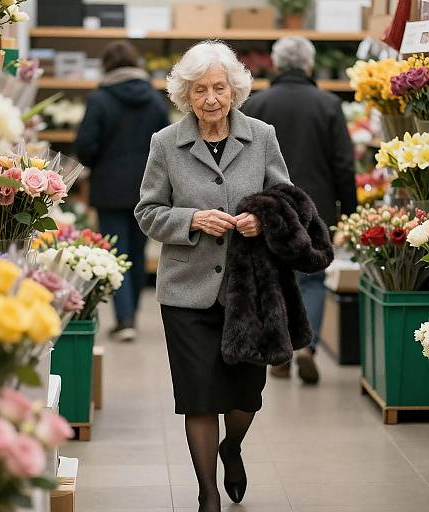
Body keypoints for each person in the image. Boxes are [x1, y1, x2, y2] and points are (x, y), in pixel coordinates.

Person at [135, 41, 291, 512]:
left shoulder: (261, 135)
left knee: (247, 395)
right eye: (199, 89)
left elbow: (286, 199)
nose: (210, 99)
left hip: (249, 291)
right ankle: (207, 494)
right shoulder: (165, 143)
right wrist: (191, 220)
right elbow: (147, 212)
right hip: (187, 291)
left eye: (218, 88)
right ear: (185, 94)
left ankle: (233, 447)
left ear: (234, 89)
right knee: (199, 398)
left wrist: (264, 220)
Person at [242, 36, 357, 384]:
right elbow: (343, 165)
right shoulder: (328, 105)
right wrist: (348, 213)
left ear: (276, 65)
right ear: (309, 65)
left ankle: (280, 353)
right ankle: (307, 346)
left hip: (269, 208)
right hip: (315, 208)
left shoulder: (256, 104)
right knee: (312, 278)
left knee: (272, 279)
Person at [76, 40, 169, 342]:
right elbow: (167, 142)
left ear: (106, 65)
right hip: (147, 187)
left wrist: (97, 161)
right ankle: (133, 316)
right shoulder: (154, 99)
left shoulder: (100, 99)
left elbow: (86, 145)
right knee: (138, 252)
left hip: (109, 187)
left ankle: (124, 318)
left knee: (115, 253)